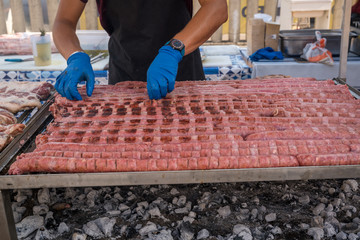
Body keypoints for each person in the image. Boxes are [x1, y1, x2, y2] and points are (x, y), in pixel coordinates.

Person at [53, 0, 228, 101]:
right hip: (124, 74)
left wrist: (173, 51)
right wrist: (75, 55)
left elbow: (216, 8)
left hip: (179, 70)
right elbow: (64, 21)